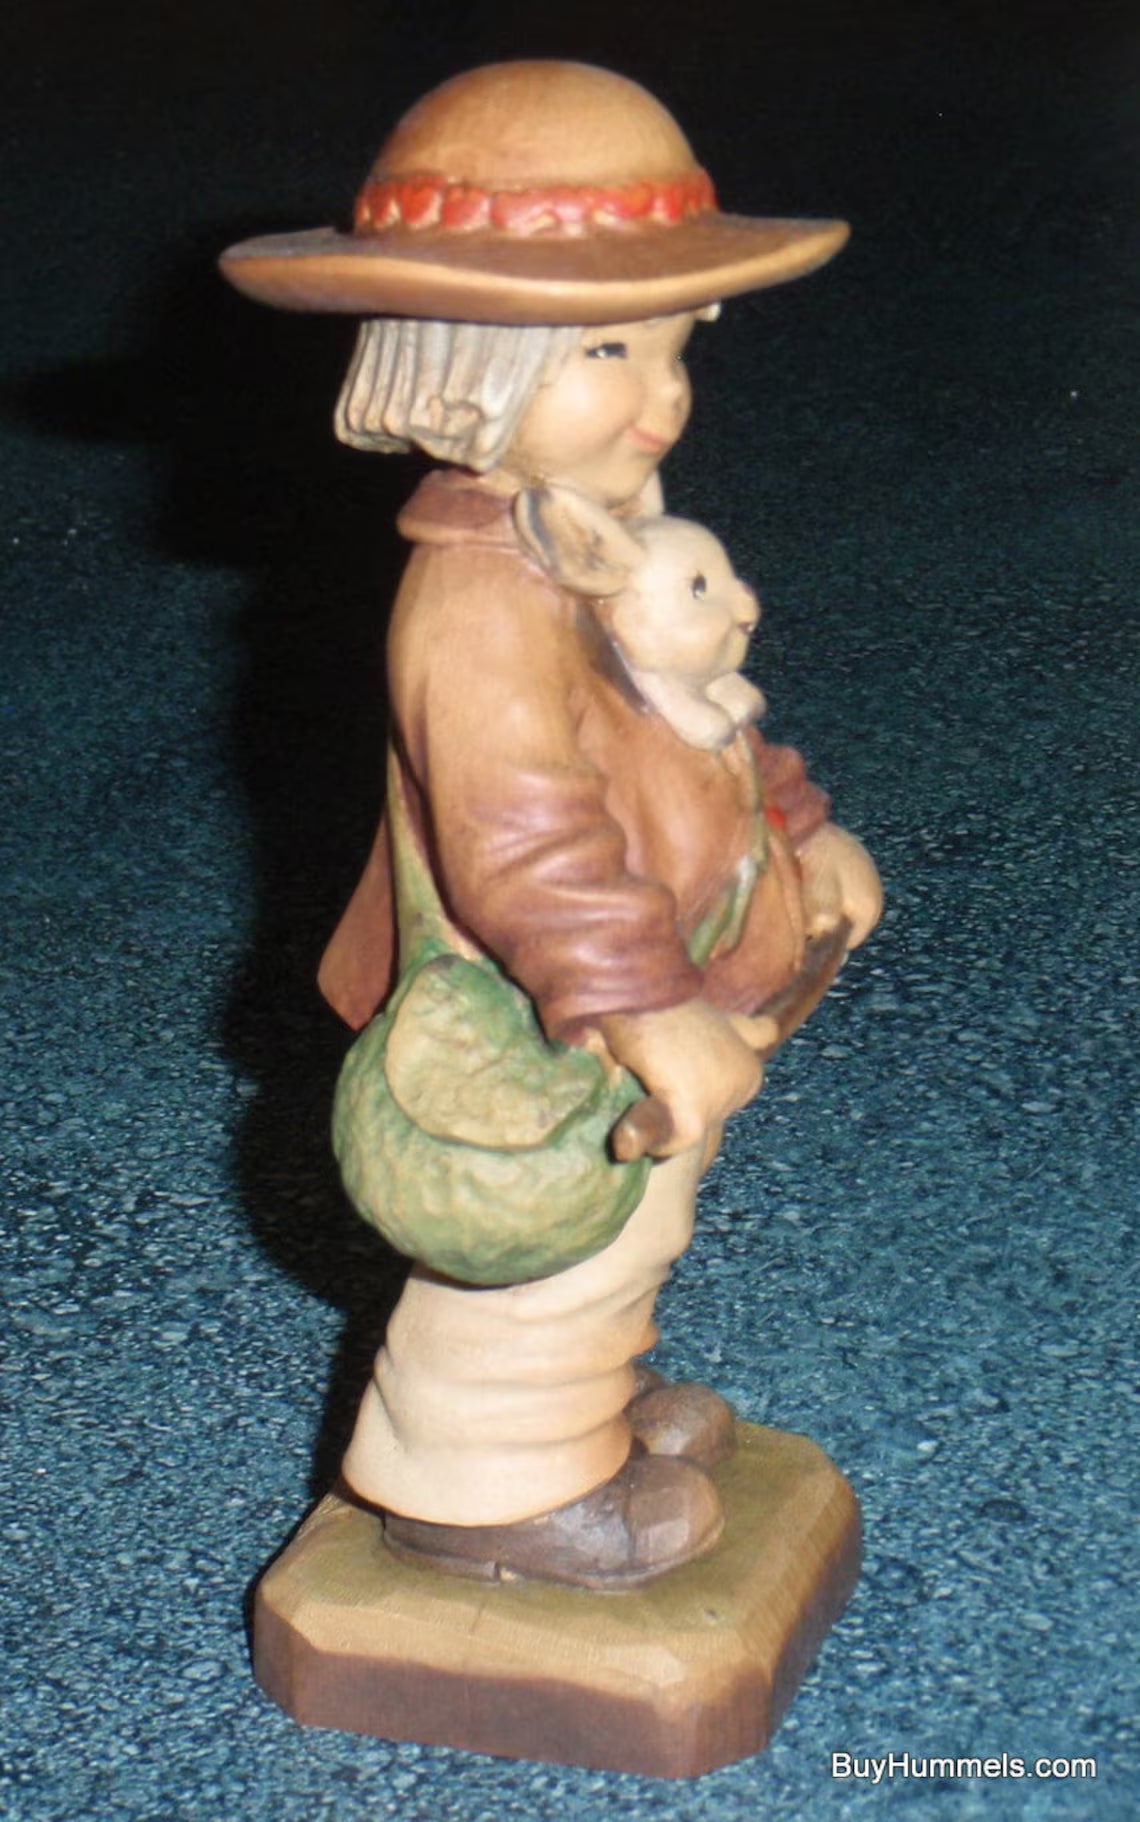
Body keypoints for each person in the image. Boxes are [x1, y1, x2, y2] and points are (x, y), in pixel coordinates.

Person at [221, 60, 882, 1590]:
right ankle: (484, 1479)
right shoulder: (479, 598)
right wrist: (645, 1003)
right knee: (544, 1236)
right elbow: (523, 834)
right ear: (467, 367)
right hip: (544, 1013)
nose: (665, 394)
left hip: (649, 974)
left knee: (640, 1219)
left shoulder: (593, 531)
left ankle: (574, 1412)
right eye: (607, 350)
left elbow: (695, 705)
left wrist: (794, 830)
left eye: (676, 343)